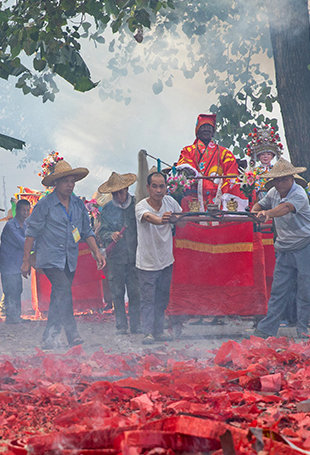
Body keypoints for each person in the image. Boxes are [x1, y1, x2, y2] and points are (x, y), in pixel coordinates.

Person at [22, 160, 106, 348]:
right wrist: (26, 261)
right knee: (64, 291)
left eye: (72, 181)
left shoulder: (77, 204)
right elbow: (31, 233)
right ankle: (72, 334)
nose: (70, 185)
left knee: (58, 297)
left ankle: (49, 337)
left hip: (69, 258)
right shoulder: (45, 205)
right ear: (56, 184)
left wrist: (97, 253)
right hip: (50, 258)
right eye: (66, 181)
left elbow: (87, 232)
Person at [249, 160, 310, 339]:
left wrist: (267, 214)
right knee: (278, 291)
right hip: (284, 248)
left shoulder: (299, 194)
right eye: (276, 180)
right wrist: (254, 211)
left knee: (305, 291)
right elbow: (260, 204)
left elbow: (285, 208)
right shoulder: (273, 193)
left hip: (306, 247)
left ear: (291, 178)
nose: (279, 183)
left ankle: (302, 328)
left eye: (283, 179)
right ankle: (266, 329)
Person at [136, 171, 184, 345]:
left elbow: (182, 219)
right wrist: (162, 219)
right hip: (147, 262)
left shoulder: (170, 202)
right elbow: (150, 218)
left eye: (162, 186)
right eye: (154, 186)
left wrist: (176, 219)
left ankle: (158, 331)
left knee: (162, 297)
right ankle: (148, 332)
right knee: (148, 299)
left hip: (166, 260)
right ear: (148, 188)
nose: (158, 190)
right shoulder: (141, 206)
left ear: (166, 187)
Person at [96, 172, 140, 335]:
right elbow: (102, 233)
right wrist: (111, 235)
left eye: (120, 192)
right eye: (115, 193)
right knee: (117, 292)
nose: (118, 196)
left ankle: (136, 324)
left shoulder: (137, 205)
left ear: (127, 189)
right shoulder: (107, 209)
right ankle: (121, 325)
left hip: (135, 256)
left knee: (136, 292)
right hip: (116, 258)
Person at [176, 113, 244, 211]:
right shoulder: (187, 151)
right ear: (197, 132)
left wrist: (224, 192)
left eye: (209, 127)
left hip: (218, 195)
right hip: (194, 196)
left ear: (213, 133)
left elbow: (231, 175)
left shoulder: (225, 153)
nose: (206, 129)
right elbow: (185, 167)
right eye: (203, 127)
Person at [0, 198, 31, 325]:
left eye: (28, 210)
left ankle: (16, 316)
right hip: (9, 264)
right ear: (17, 211)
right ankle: (12, 317)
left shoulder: (25, 224)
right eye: (23, 210)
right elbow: (24, 243)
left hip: (17, 264)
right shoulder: (11, 226)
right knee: (10, 291)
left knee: (17, 290)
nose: (26, 213)